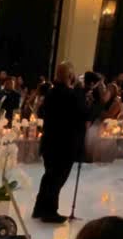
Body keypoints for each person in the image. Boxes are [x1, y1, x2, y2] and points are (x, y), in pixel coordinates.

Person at [31, 61, 87, 224]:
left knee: (49, 176)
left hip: (49, 142)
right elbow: (83, 113)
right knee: (57, 178)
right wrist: (79, 90)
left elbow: (41, 112)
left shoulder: (51, 93)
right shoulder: (71, 95)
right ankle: (49, 211)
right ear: (70, 76)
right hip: (64, 145)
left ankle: (39, 208)